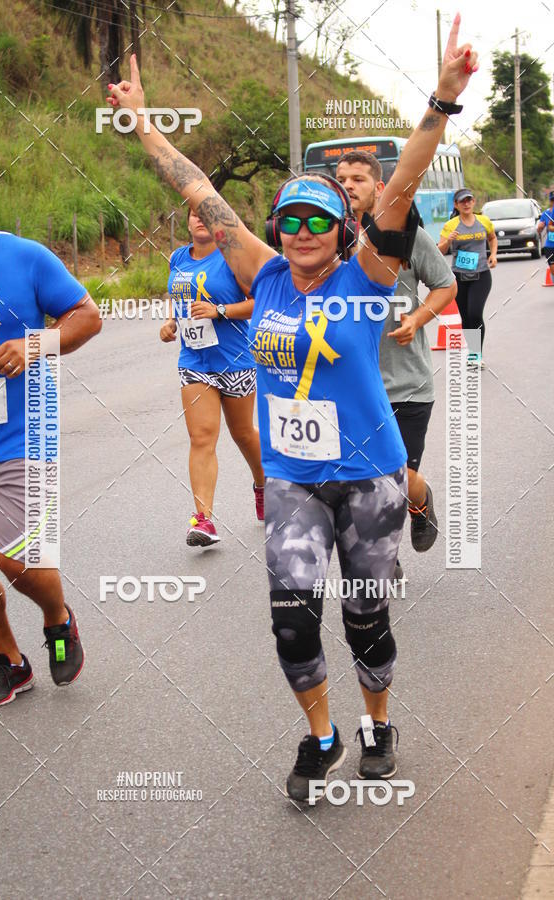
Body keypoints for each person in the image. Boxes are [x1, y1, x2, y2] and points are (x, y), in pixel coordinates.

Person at [106, 14, 477, 801]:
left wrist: (441, 102)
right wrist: (142, 124)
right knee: (293, 620)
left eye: (319, 220)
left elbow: (403, 182)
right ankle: (322, 736)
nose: (303, 231)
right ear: (276, 228)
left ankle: (379, 722)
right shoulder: (266, 275)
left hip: (372, 478)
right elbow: (196, 188)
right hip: (293, 481)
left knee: (366, 622)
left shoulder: (367, 274)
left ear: (341, 231)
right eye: (290, 220)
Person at [0, 161, 101, 708]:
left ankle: (58, 619)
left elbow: (87, 316)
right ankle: (10, 663)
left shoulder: (26, 258)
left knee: (18, 562)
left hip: (21, 439)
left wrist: (33, 345)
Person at [336, 150, 457, 573]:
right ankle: (384, 556)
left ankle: (420, 503)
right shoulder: (329, 237)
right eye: (342, 178)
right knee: (360, 479)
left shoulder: (407, 235)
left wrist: (417, 318)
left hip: (407, 383)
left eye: (358, 179)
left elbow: (445, 284)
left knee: (395, 474)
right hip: (354, 384)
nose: (349, 185)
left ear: (379, 187)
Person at [160, 207, 265, 545]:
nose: (199, 219)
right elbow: (180, 300)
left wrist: (220, 311)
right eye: (194, 214)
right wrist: (172, 323)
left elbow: (258, 301)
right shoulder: (178, 257)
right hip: (194, 361)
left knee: (243, 434)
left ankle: (264, 485)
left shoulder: (234, 257)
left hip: (234, 359)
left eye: (206, 213)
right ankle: (203, 520)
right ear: (187, 221)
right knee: (202, 437)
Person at [438, 187, 496, 368]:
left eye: (469, 200)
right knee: (465, 317)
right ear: (456, 204)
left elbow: (492, 238)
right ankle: (473, 352)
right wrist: (449, 240)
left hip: (481, 274)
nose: (466, 203)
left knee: (475, 313)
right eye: (462, 201)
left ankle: (477, 354)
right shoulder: (451, 225)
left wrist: (493, 255)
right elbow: (439, 251)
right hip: (459, 276)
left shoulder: (484, 221)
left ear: (473, 202)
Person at [536, 190, 554, 280]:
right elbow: (540, 228)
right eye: (553, 200)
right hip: (550, 245)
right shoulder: (546, 213)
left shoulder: (546, 213)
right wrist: (540, 227)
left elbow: (541, 228)